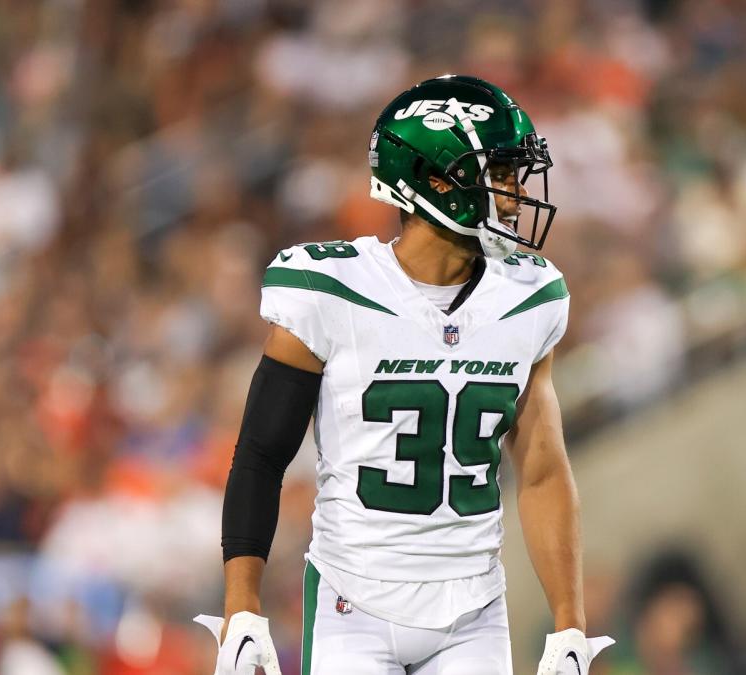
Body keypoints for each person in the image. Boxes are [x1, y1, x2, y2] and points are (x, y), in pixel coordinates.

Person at [195, 75, 613, 674]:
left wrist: (569, 621)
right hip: (352, 601)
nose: (517, 196)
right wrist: (242, 605)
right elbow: (261, 454)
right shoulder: (331, 291)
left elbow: (543, 472)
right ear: (435, 178)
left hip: (474, 608)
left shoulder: (531, 295)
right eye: (498, 175)